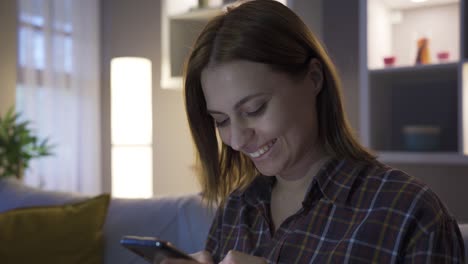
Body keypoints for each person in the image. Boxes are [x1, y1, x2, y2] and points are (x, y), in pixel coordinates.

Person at [162, 0, 465, 263]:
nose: (238, 140)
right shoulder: (236, 211)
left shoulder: (408, 212)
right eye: (221, 120)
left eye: (254, 109)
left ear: (314, 78)